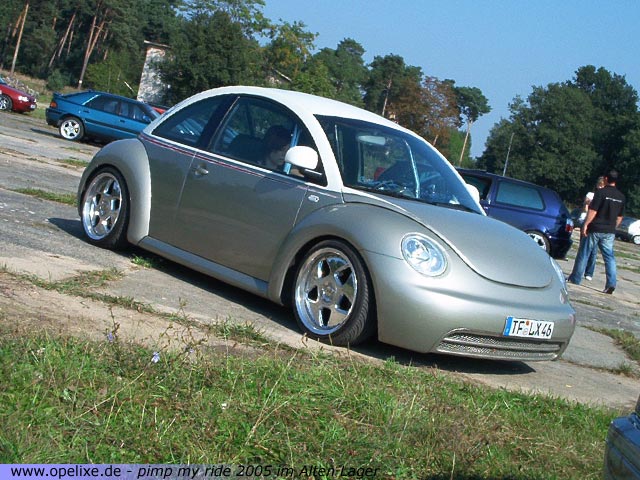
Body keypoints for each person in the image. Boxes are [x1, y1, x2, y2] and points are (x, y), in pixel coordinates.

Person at [568, 170, 625, 293]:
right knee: (609, 257)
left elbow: (593, 211)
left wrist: (586, 225)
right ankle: (611, 283)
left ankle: (575, 278)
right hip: (609, 231)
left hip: (595, 228)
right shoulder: (621, 197)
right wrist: (613, 227)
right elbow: (620, 217)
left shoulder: (601, 192)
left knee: (584, 253)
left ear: (606, 179)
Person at [582, 176, 606, 281]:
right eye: (599, 185)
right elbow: (585, 209)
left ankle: (589, 272)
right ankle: (579, 270)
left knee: (594, 250)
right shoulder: (590, 195)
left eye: (602, 185)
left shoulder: (604, 197)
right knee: (583, 248)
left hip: (596, 224)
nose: (600, 187)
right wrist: (587, 203)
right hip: (587, 220)